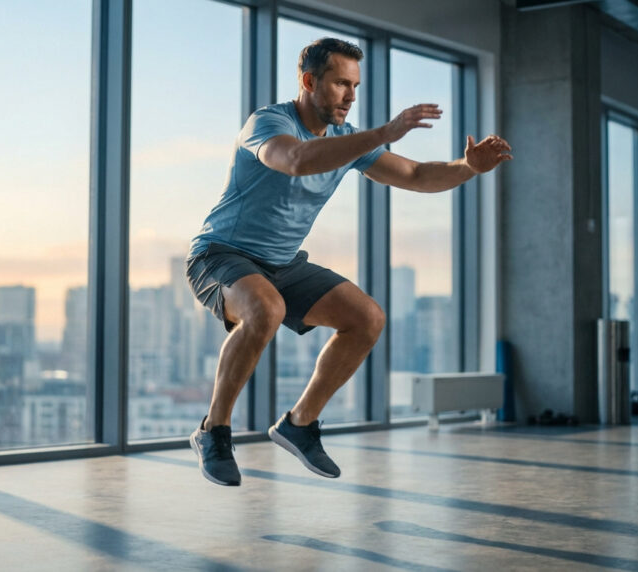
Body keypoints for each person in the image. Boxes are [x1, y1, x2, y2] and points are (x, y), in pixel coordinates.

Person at [186, 38, 512, 486]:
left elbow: (416, 176)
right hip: (219, 254)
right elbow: (296, 161)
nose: (350, 96)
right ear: (308, 81)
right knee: (267, 308)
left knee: (367, 318)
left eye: (354, 85)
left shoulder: (346, 140)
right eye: (341, 83)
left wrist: (467, 167)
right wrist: (382, 133)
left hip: (282, 263)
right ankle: (214, 431)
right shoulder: (268, 122)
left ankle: (300, 424)